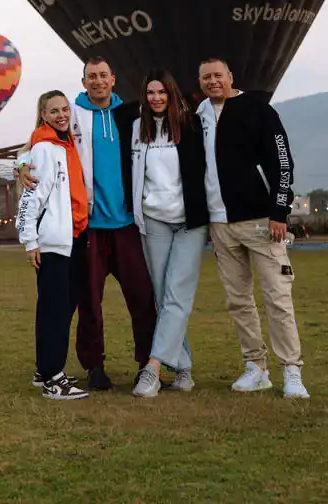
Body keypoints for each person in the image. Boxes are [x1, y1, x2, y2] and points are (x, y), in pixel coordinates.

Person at [18, 57, 156, 391]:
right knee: (89, 301)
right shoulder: (72, 115)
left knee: (142, 297)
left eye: (103, 75)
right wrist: (20, 164)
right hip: (89, 227)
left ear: (113, 79)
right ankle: (94, 365)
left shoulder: (131, 116)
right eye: (91, 76)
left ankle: (147, 365)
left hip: (127, 224)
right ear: (83, 82)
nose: (97, 81)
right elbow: (34, 144)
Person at [196, 56, 309, 399]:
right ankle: (255, 368)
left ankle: (291, 370)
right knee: (238, 301)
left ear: (231, 76)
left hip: (261, 221)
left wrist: (279, 210)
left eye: (218, 75)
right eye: (206, 77)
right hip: (220, 223)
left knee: (277, 297)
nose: (213, 81)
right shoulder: (198, 115)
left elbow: (282, 161)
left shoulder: (259, 110)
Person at [130, 69, 209, 398]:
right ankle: (185, 369)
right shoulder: (137, 128)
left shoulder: (193, 127)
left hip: (190, 220)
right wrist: (23, 163)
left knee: (177, 294)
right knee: (164, 297)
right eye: (150, 93)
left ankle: (153, 368)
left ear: (172, 94)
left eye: (162, 92)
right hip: (154, 220)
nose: (156, 98)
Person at [16, 90, 89, 400]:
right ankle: (53, 378)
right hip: (54, 241)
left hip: (72, 236)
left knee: (59, 305)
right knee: (54, 309)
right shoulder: (46, 147)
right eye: (54, 111)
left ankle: (44, 368)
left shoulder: (65, 142)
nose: (62, 115)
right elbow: (33, 194)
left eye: (64, 110)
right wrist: (30, 239)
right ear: (43, 115)